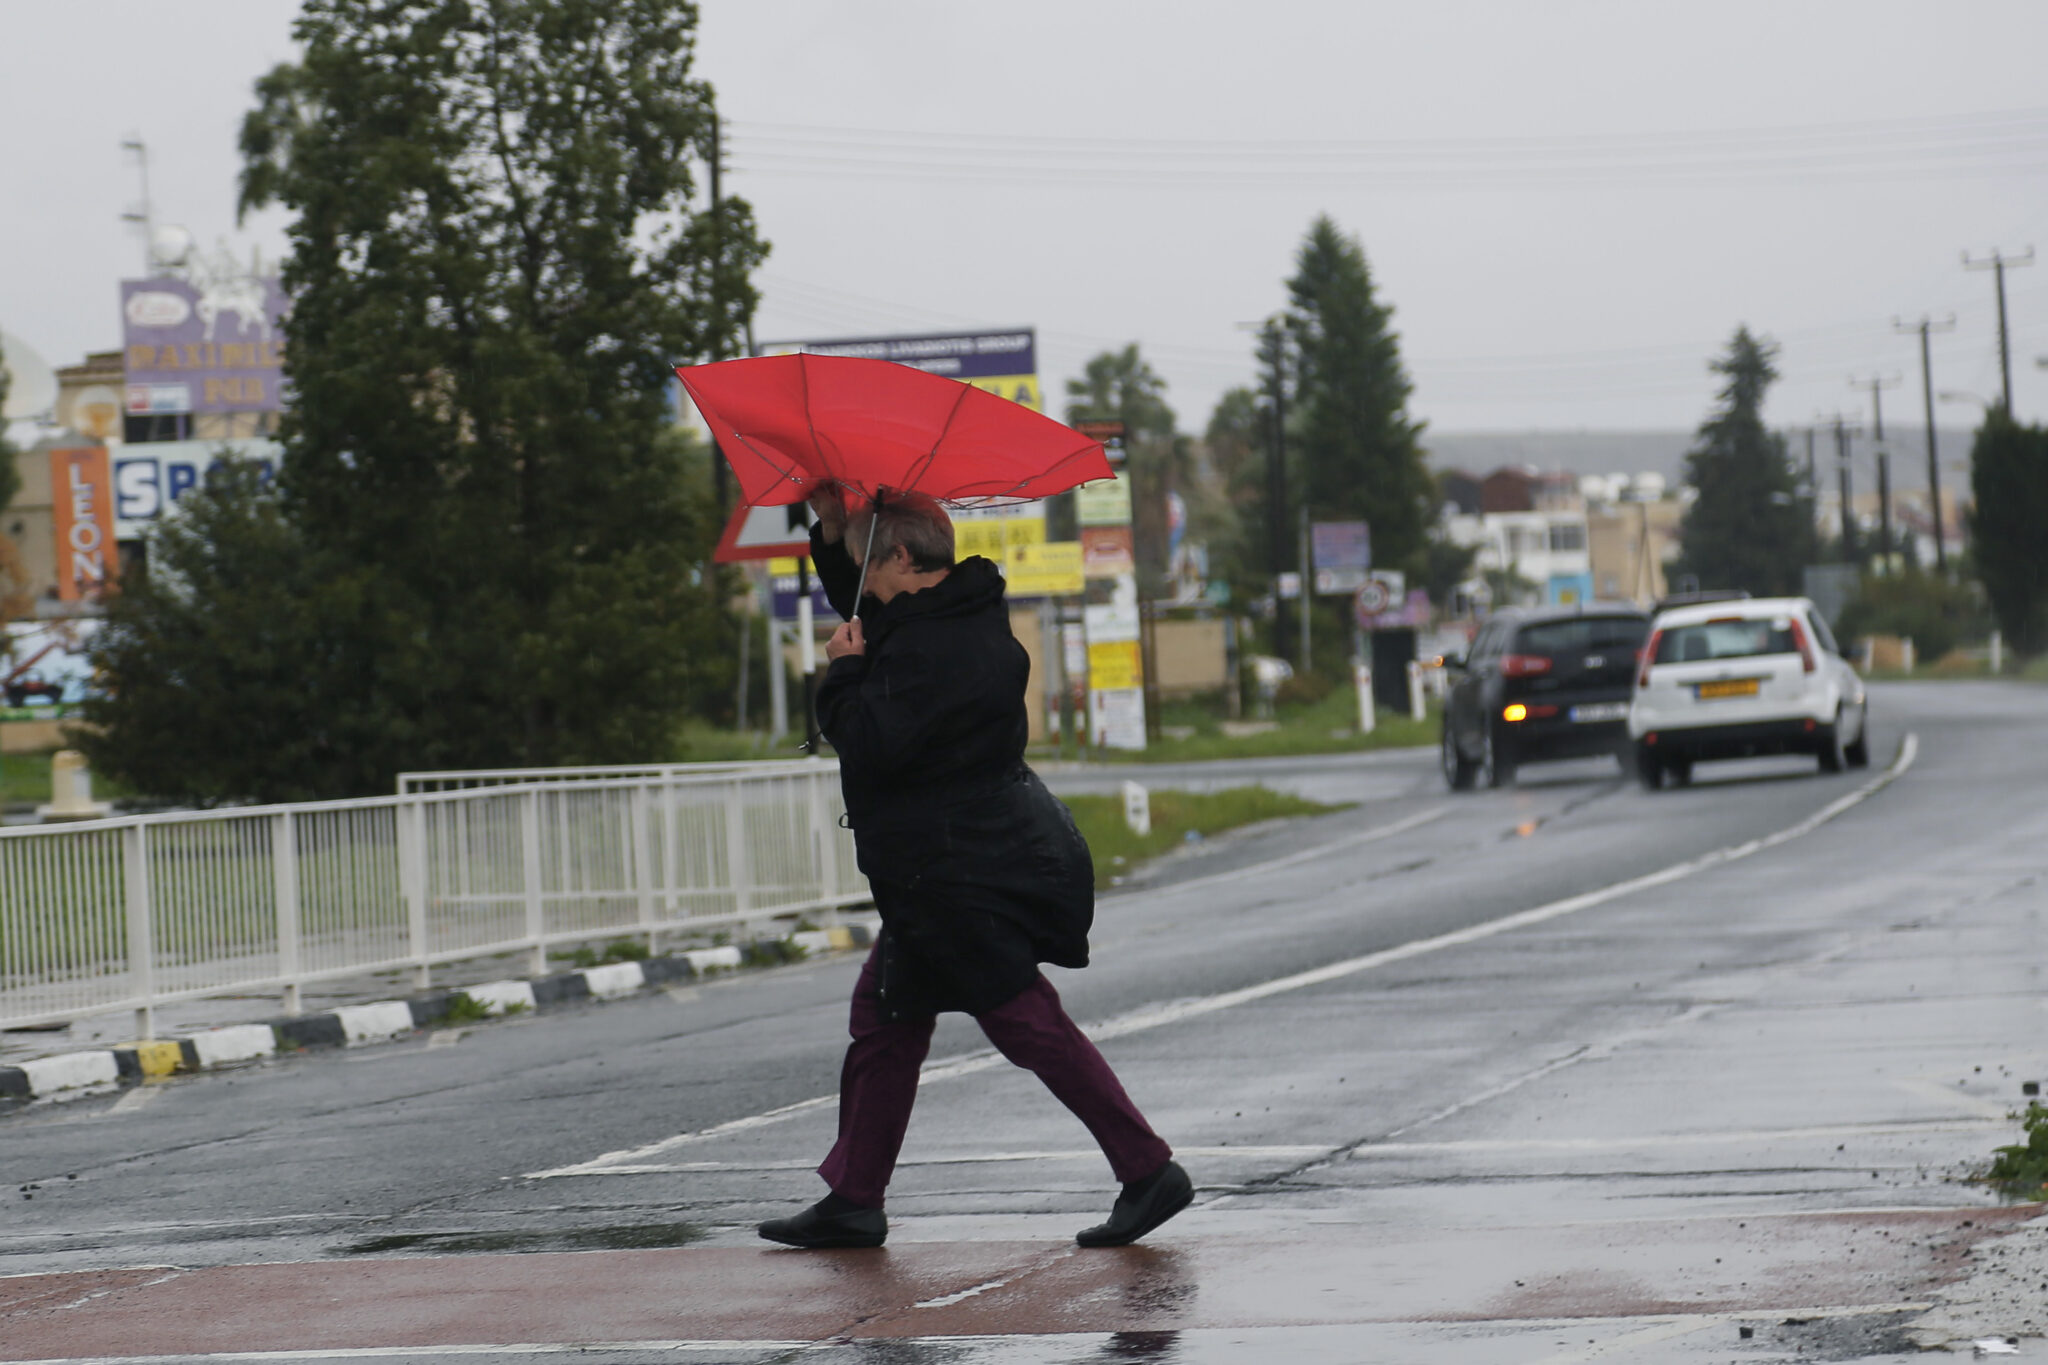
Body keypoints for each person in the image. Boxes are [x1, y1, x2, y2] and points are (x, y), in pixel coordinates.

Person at [757, 483, 1191, 1251]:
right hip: (942, 866)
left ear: (899, 555)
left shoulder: (930, 650)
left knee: (1027, 1020)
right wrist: (829, 530)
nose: (860, 582)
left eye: (865, 560)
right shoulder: (959, 612)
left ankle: (1147, 1166)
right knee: (886, 1024)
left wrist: (843, 676)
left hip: (954, 874)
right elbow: (869, 611)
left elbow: (873, 741)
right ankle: (854, 1196)